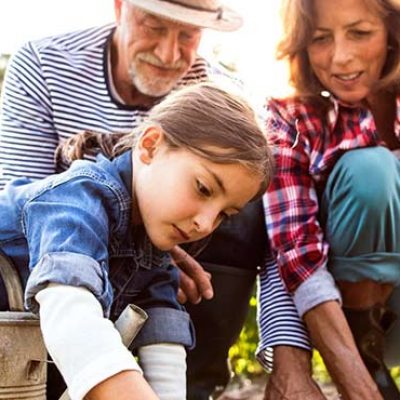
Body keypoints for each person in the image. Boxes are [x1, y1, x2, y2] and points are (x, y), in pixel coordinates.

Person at [0, 1, 271, 399]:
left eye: (223, 214)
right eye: (202, 189)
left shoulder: (153, 243)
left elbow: (163, 325)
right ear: (149, 145)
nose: (205, 224)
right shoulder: (76, 197)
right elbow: (68, 302)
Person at [261, 0, 400, 398]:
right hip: (344, 314)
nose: (341, 57)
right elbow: (293, 253)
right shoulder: (289, 118)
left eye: (360, 32)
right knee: (369, 172)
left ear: (391, 30)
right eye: (320, 39)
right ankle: (369, 362)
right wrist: (357, 387)